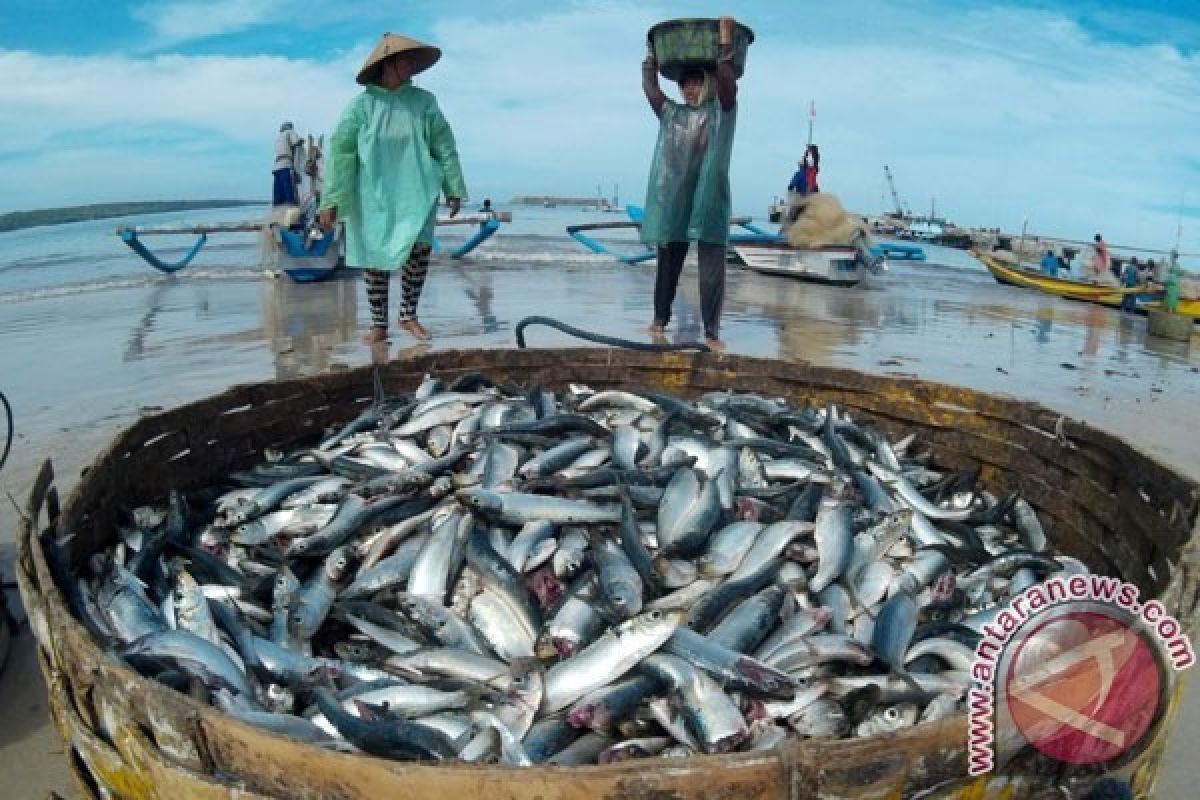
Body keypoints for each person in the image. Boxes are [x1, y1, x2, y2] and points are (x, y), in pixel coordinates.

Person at [318, 33, 466, 344]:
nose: (412, 65)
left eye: (414, 60)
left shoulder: (424, 103)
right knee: (375, 257)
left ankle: (409, 316)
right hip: (373, 194)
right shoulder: (361, 107)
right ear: (388, 64)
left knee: (418, 253)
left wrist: (454, 186)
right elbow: (341, 153)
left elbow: (443, 144)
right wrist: (331, 200)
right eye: (406, 59)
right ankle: (378, 324)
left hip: (419, 189)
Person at [640, 15, 740, 351]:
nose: (690, 89)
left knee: (711, 268)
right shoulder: (672, 114)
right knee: (667, 262)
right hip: (676, 199)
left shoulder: (721, 111)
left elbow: (728, 84)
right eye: (685, 84)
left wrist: (725, 46)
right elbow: (651, 89)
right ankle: (658, 320)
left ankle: (711, 334)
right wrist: (651, 56)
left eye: (697, 83)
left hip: (709, 197)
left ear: (707, 84)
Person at [273, 122, 305, 206]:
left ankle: (277, 213)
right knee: (289, 193)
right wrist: (302, 141)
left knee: (278, 195)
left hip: (276, 168)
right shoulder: (290, 132)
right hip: (286, 165)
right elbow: (297, 142)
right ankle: (292, 210)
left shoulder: (278, 138)